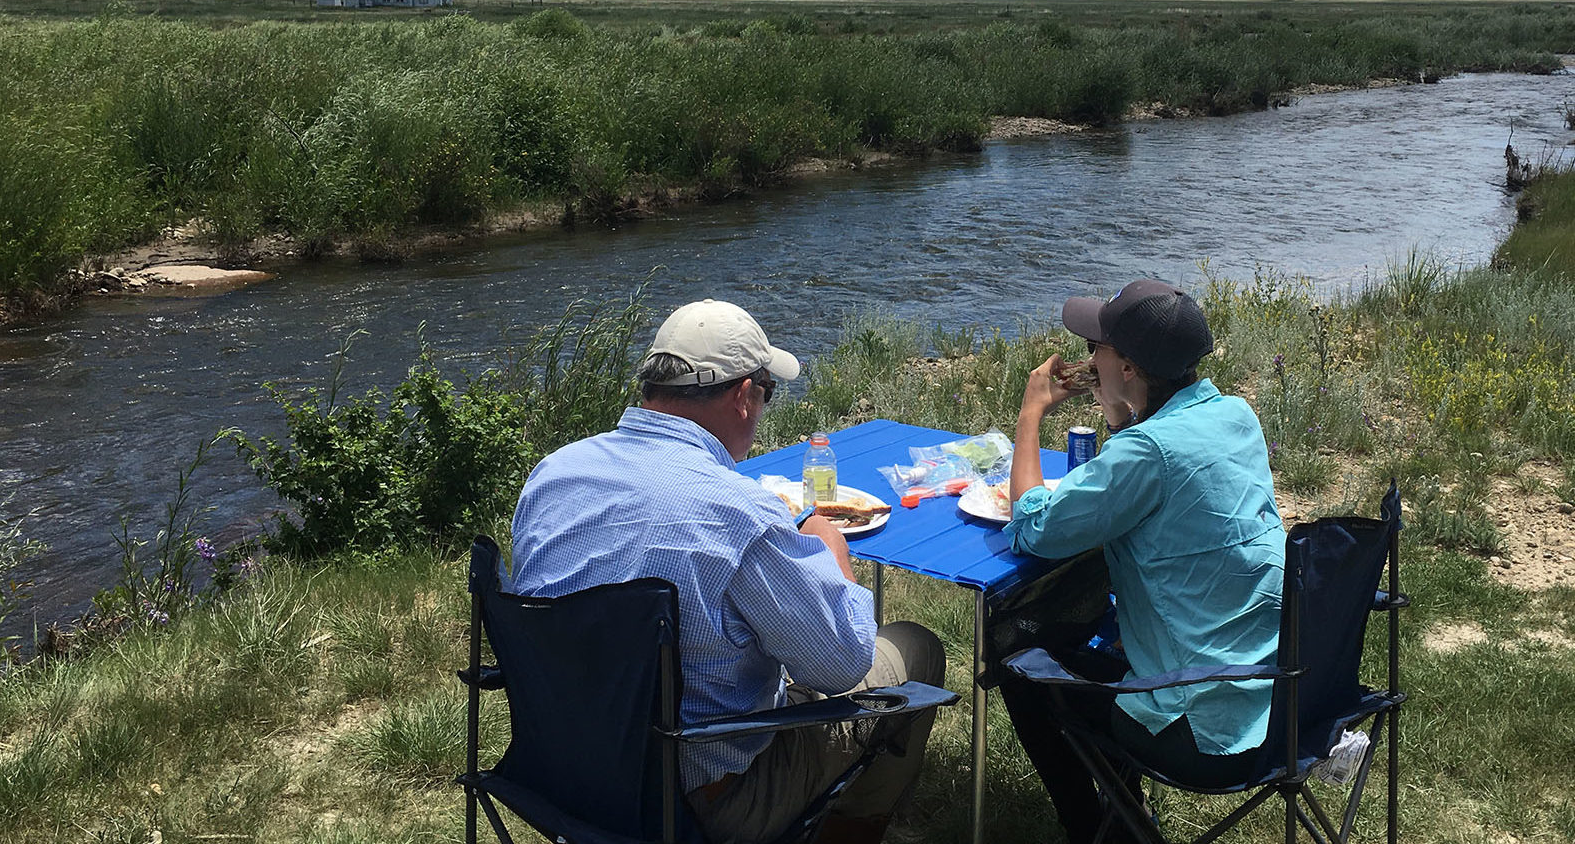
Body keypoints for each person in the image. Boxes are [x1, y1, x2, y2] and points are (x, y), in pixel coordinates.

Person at [509, 298, 945, 844]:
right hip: (693, 806)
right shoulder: (737, 511)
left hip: (565, 777)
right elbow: (839, 665)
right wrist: (831, 552)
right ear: (744, 396)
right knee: (915, 646)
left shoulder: (552, 474)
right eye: (767, 393)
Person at [999, 278, 1286, 844]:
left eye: (1095, 349)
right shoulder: (1235, 416)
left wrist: (1029, 416)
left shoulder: (1145, 449)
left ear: (1127, 367)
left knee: (1020, 662)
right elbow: (1163, 491)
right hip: (1283, 700)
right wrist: (1119, 417)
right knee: (1104, 640)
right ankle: (1119, 814)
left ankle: (1102, 832)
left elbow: (1033, 529)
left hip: (1203, 730)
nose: (1087, 358)